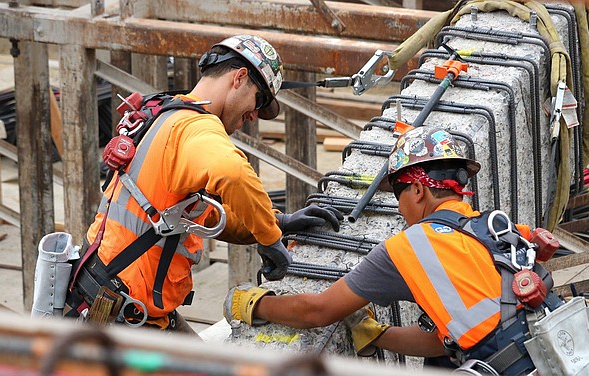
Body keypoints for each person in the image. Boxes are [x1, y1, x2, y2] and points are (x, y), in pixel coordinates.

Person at [224, 126, 561, 374]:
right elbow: (445, 342)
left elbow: (317, 311)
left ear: (417, 190)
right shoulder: (495, 228)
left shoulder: (410, 246)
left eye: (398, 196)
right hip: (558, 356)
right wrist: (378, 335)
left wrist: (254, 304)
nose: (399, 209)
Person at [63, 34, 342, 333]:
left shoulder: (165, 116)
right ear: (239, 78)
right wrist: (270, 239)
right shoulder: (196, 126)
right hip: (125, 313)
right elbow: (233, 172)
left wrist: (280, 222)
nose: (253, 116)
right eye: (258, 101)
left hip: (113, 299)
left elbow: (203, 218)